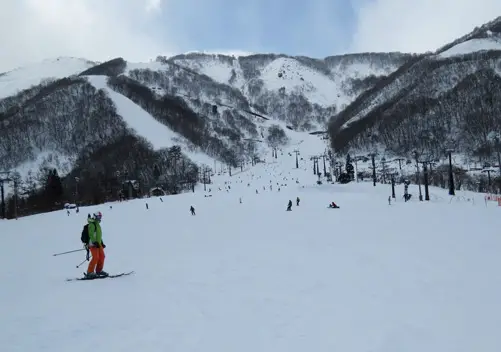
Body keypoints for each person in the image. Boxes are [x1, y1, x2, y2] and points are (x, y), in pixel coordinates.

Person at [85, 212, 107, 278]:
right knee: (95, 257)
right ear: (95, 217)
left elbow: (98, 235)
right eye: (98, 217)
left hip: (98, 244)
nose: (100, 218)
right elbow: (91, 234)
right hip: (93, 244)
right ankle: (89, 272)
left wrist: (101, 242)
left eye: (100, 217)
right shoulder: (92, 224)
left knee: (102, 256)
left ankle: (99, 270)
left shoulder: (97, 224)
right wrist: (94, 242)